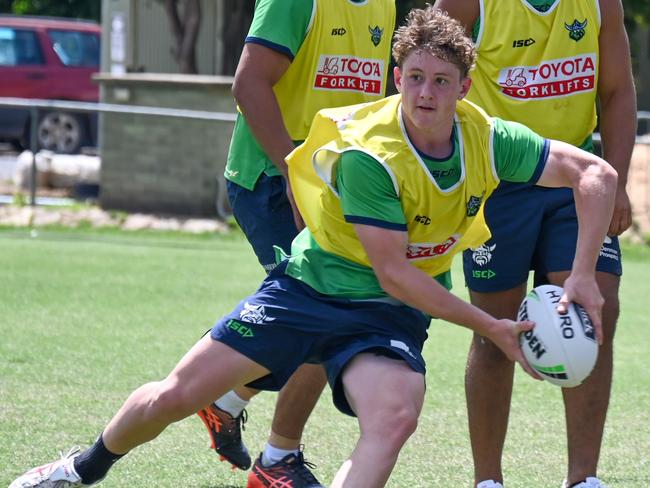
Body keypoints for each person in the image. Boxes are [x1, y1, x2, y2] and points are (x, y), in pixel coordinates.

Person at [9, 7, 618, 488]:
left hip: (383, 319)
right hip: (309, 291)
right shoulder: (370, 153)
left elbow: (597, 175)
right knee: (176, 396)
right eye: (413, 78)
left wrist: (583, 275)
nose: (425, 93)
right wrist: (494, 327)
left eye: (441, 81)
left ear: (464, 88)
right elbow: (396, 272)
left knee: (397, 414)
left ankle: (279, 457)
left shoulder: (488, 138)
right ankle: (81, 467)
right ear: (397, 78)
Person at [432, 1, 636, 487]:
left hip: (575, 176)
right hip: (495, 181)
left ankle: (583, 478)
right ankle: (488, 480)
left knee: (597, 310)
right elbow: (428, 73)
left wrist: (619, 181)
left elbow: (617, 89)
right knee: (495, 330)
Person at [198, 1, 396, 484]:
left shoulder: (384, 5)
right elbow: (248, 84)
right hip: (270, 176)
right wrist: (292, 167)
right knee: (324, 307)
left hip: (335, 184)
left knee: (333, 310)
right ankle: (275, 457)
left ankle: (228, 399)